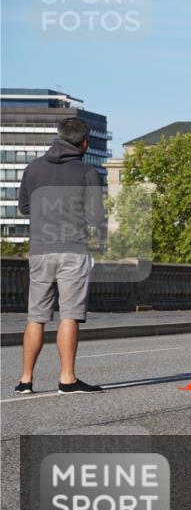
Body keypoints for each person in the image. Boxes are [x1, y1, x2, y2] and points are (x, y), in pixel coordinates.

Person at [15, 117, 105, 395]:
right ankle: (67, 379)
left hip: (41, 250)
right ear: (85, 143)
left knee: (36, 316)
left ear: (59, 136)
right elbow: (95, 217)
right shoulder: (87, 172)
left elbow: (24, 208)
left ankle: (26, 380)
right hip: (72, 250)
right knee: (69, 314)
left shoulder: (33, 169)